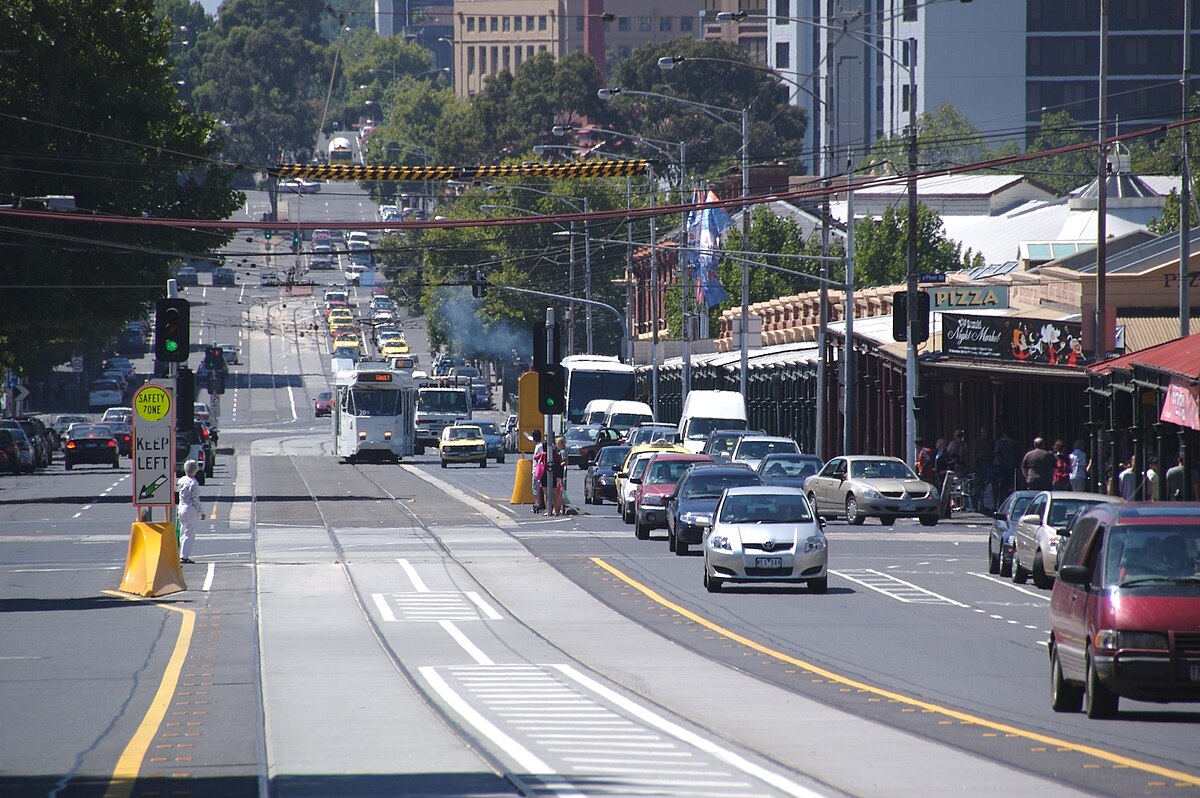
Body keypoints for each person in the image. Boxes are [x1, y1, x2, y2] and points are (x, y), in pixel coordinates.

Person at [176, 459, 205, 564]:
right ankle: (184, 556)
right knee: (189, 533)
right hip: (190, 508)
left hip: (181, 506)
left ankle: (180, 553)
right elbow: (195, 499)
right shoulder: (194, 483)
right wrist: (201, 512)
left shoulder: (181, 480)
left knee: (182, 531)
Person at [530, 429, 546, 514]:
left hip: (537, 470)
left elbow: (540, 458)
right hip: (536, 469)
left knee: (535, 488)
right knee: (536, 488)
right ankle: (539, 503)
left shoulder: (539, 446)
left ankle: (538, 503)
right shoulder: (538, 445)